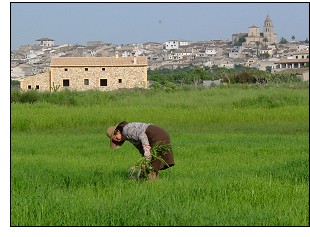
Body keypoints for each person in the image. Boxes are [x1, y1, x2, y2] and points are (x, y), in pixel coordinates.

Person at [106, 121, 175, 179]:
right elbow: (140, 147)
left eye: (116, 138)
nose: (118, 140)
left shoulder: (126, 130)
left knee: (151, 164)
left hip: (156, 135)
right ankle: (152, 181)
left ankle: (151, 183)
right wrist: (144, 157)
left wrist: (147, 150)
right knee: (151, 163)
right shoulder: (128, 136)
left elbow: (142, 135)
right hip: (160, 133)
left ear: (117, 131)